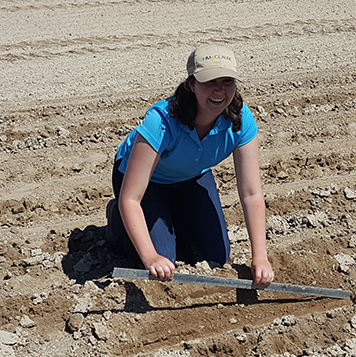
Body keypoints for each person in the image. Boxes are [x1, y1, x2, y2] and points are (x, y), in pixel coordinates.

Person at [106, 44, 274, 286]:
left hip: (191, 176)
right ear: (191, 84)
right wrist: (151, 256)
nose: (219, 90)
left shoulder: (241, 118)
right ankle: (117, 224)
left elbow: (251, 192)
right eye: (209, 81)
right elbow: (131, 198)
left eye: (227, 81)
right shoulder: (161, 121)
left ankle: (169, 216)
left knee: (215, 258)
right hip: (147, 183)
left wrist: (260, 257)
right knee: (160, 265)